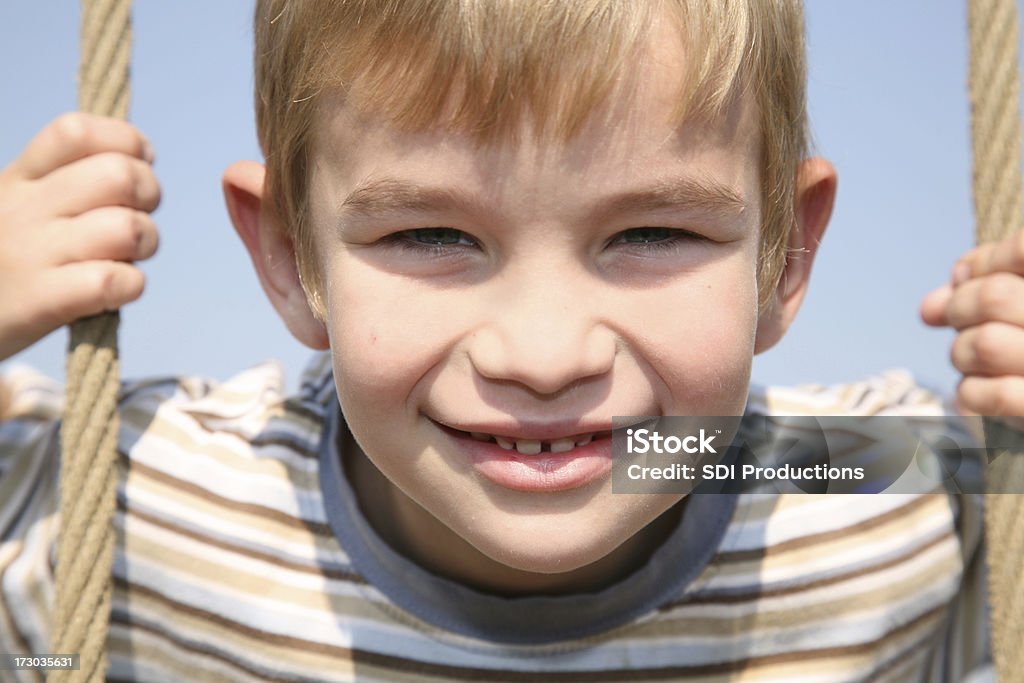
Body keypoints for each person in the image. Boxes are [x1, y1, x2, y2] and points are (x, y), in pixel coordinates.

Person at [0, 0, 1019, 680]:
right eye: (431, 234)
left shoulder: (856, 482)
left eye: (651, 232)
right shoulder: (141, 492)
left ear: (785, 254)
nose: (541, 354)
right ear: (288, 254)